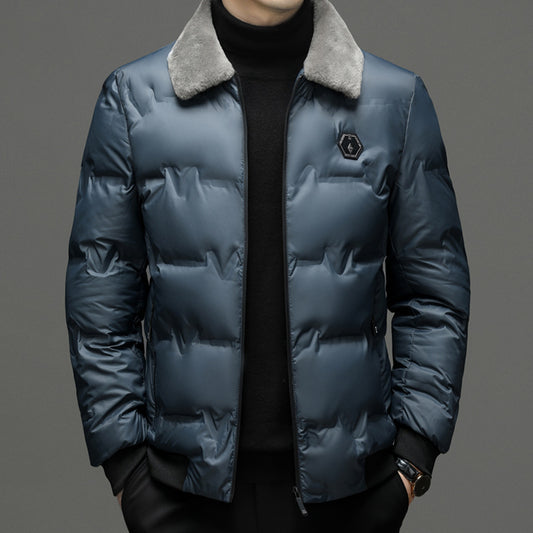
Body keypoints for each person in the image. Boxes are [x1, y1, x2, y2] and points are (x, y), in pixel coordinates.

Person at [64, 0, 471, 531]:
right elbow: (100, 300)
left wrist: (412, 460)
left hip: (353, 497)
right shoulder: (134, 99)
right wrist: (128, 470)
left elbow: (434, 292)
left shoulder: (394, 101)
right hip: (179, 494)